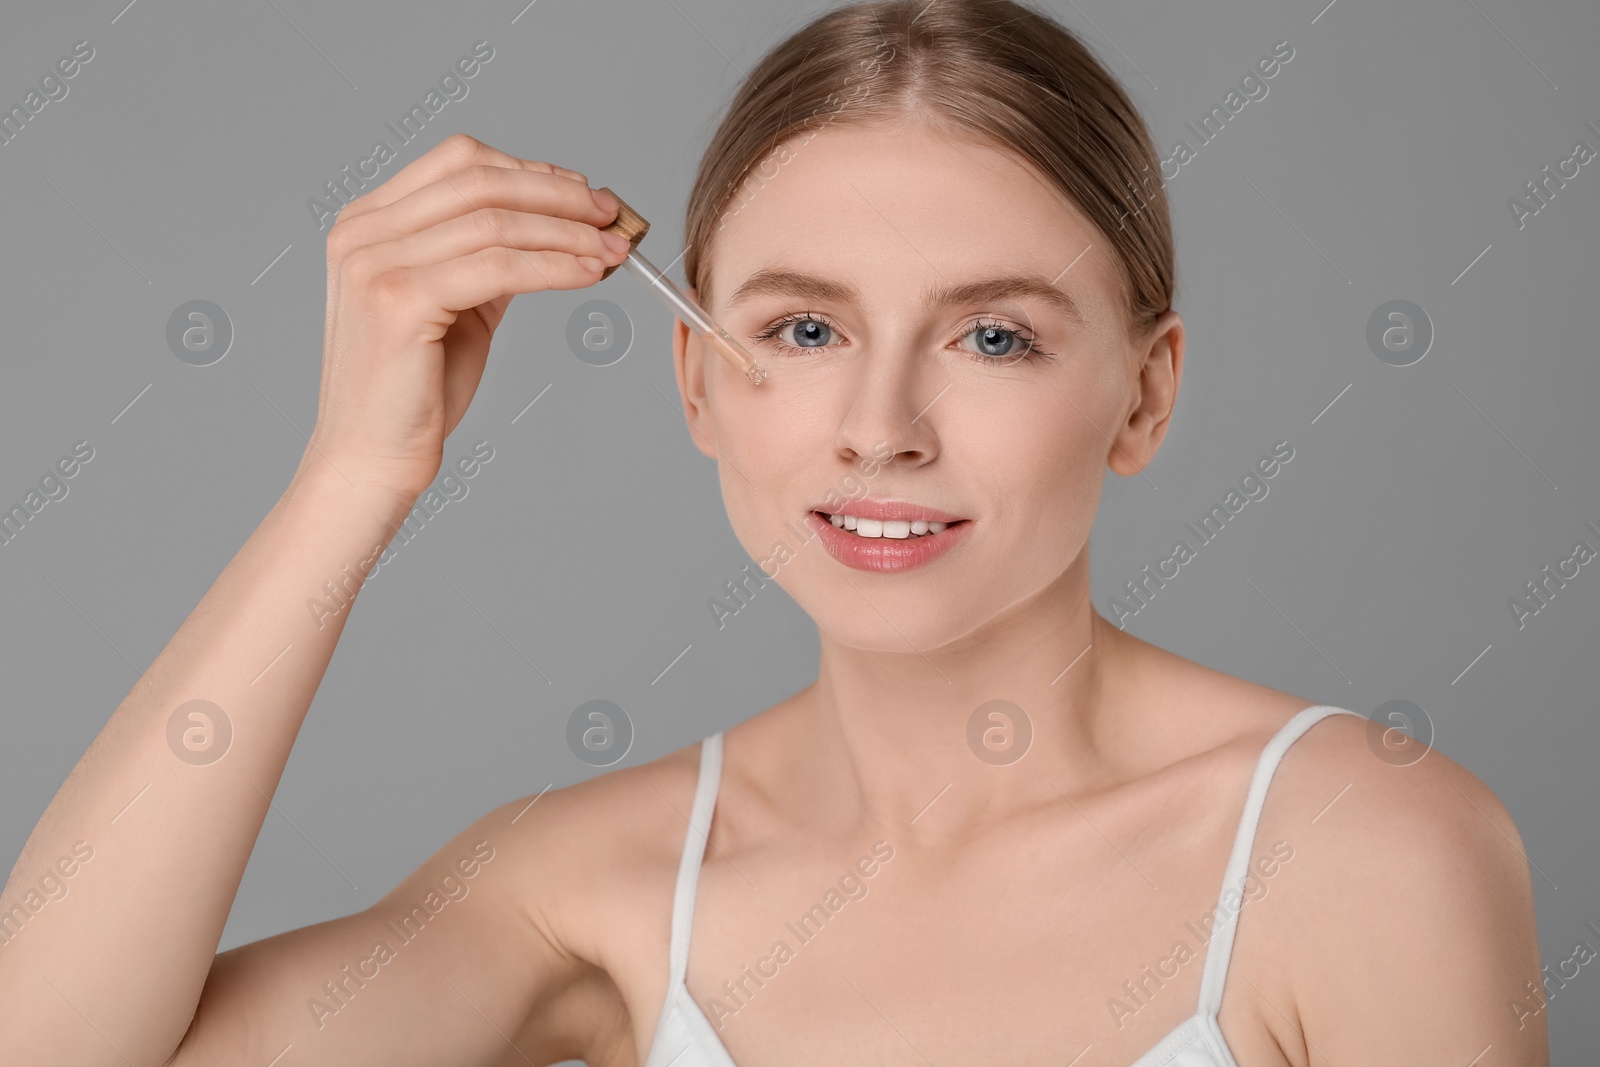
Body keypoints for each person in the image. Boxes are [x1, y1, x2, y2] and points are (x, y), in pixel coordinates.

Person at [0, 1, 1546, 1065]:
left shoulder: (1364, 850)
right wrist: (352, 473)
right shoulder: (588, 886)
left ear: (1145, 398)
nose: (881, 425)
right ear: (696, 380)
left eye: (993, 338)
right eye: (803, 330)